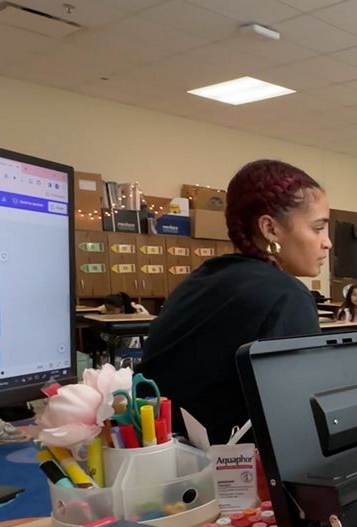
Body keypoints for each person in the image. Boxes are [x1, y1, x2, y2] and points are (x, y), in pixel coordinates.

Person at [139, 160, 330, 445]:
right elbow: (299, 417)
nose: (327, 242)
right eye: (317, 229)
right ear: (270, 229)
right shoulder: (287, 296)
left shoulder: (200, 280)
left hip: (164, 457)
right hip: (234, 474)